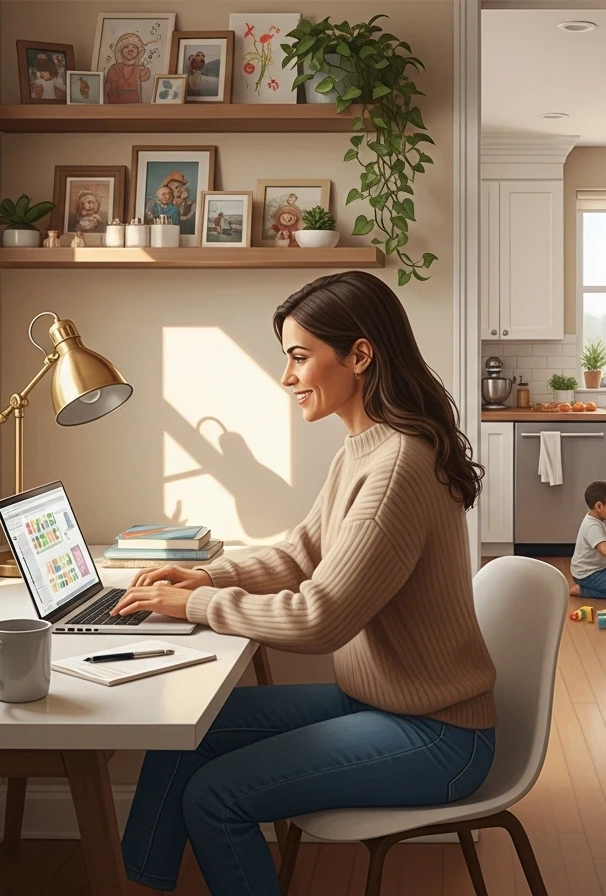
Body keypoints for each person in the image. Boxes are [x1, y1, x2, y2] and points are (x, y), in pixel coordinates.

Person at [112, 271, 497, 896]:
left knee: (214, 798)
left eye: (298, 357)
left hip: (438, 735)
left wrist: (199, 604)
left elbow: (320, 618)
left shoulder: (398, 465)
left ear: (360, 355)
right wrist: (206, 574)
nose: (286, 377)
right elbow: (303, 551)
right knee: (183, 734)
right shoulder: (366, 450)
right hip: (383, 702)